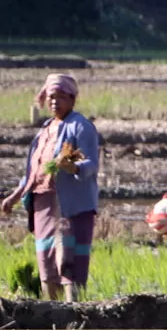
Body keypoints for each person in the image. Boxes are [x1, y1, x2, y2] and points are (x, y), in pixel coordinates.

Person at [1, 74, 101, 301]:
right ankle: (52, 311)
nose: (55, 101)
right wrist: (14, 197)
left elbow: (91, 164)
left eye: (61, 97)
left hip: (69, 205)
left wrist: (72, 167)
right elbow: (33, 172)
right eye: (51, 97)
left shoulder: (81, 126)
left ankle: (73, 310)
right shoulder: (45, 130)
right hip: (43, 205)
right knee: (46, 260)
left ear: (72, 100)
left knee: (68, 260)